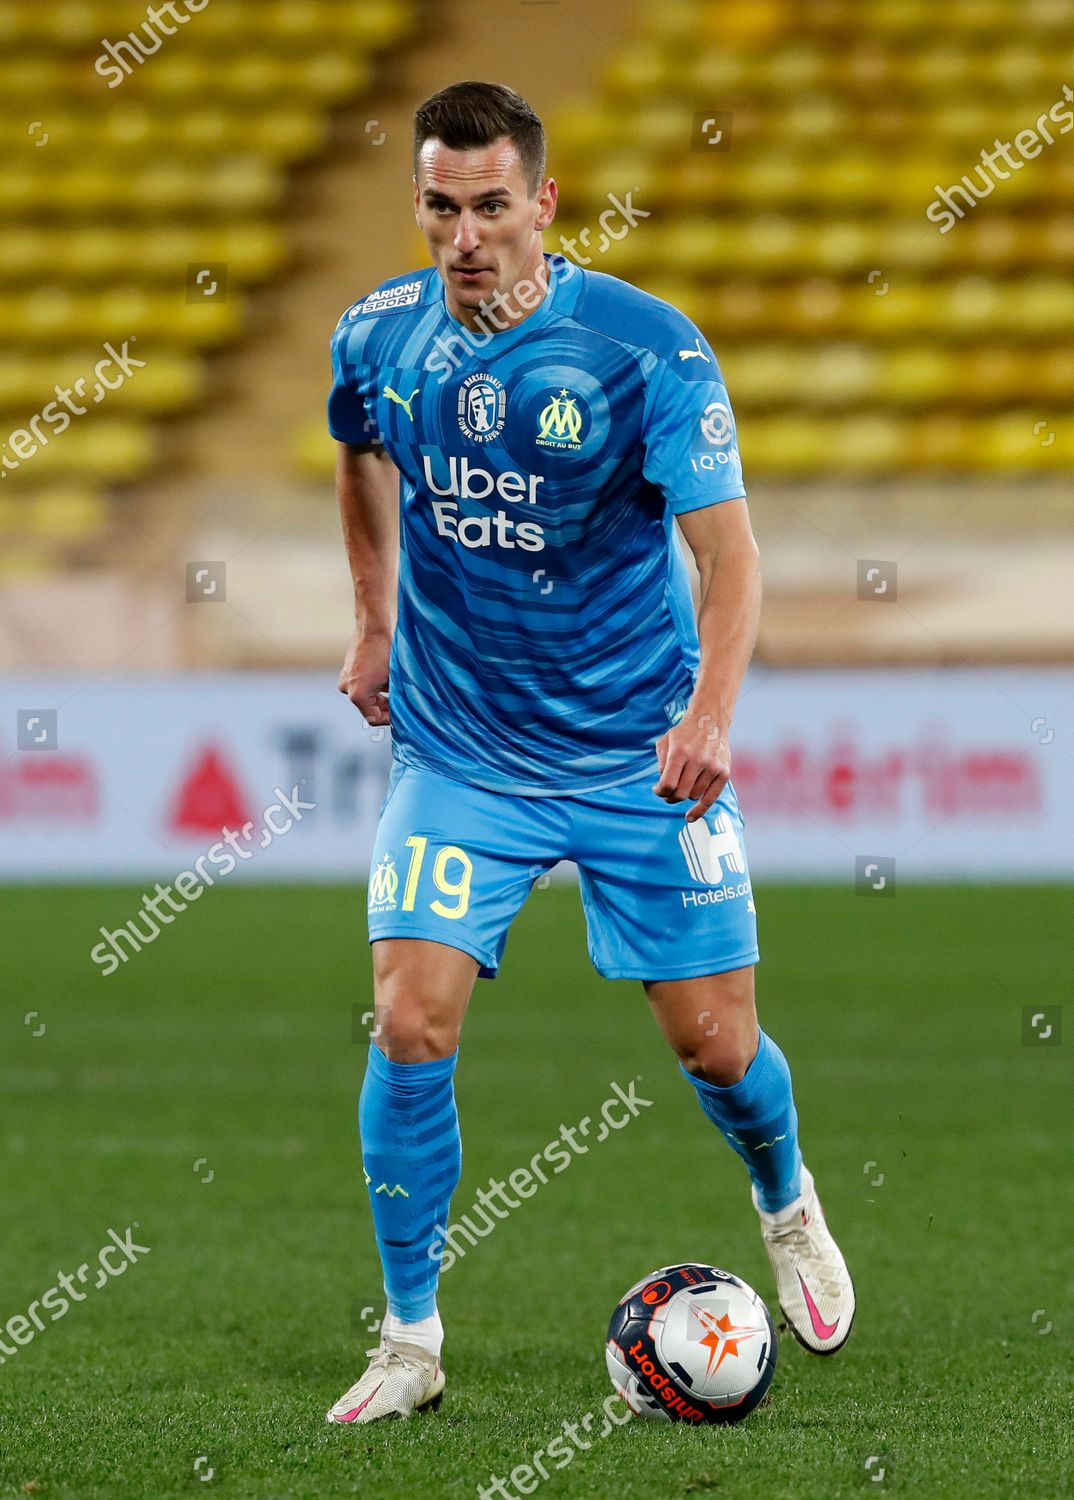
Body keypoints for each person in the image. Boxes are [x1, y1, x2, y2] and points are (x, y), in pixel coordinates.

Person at [325, 80, 854, 1425]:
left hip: (637, 753)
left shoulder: (644, 350)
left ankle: (783, 1196)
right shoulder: (377, 334)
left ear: (542, 204)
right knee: (408, 1016)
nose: (464, 235)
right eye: (439, 207)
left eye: (491, 206)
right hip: (462, 755)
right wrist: (374, 620)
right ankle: (408, 1338)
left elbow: (727, 553)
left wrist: (710, 717)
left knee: (717, 1045)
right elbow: (358, 455)